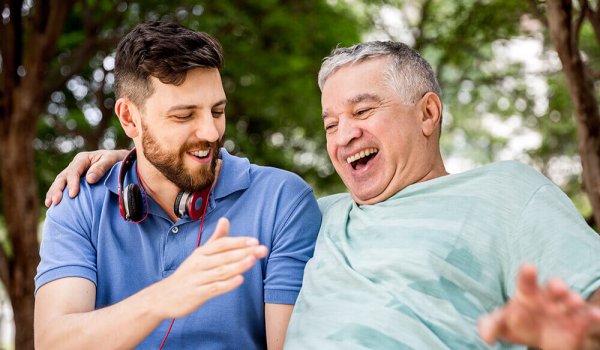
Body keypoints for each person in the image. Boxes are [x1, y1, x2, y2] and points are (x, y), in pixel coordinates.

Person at [45, 41, 600, 349]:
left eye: (363, 112)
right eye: (330, 122)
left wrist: (575, 335)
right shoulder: (323, 214)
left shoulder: (504, 192)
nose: (344, 135)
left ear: (428, 113)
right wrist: (132, 159)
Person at [35, 21, 321, 350]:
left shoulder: (282, 201)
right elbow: (53, 342)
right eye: (184, 116)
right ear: (129, 118)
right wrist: (163, 298)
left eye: (217, 111)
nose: (211, 133)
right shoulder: (79, 201)